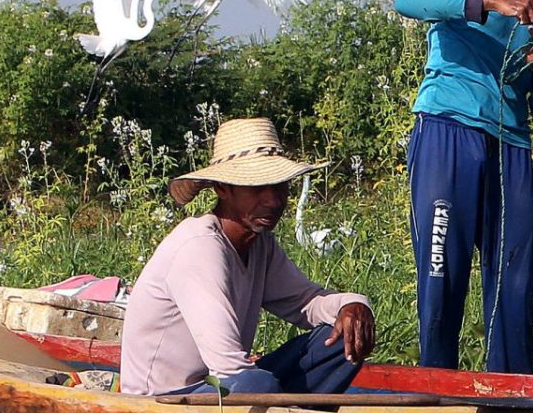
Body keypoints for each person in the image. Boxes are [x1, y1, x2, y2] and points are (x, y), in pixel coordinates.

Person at [394, 0, 533, 374]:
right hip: (447, 131)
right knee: (442, 268)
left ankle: (510, 395)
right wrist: (491, 1)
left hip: (510, 145)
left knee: (514, 276)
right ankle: (436, 385)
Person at [119, 118, 375, 396]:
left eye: (279, 187)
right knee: (256, 384)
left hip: (223, 383)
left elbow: (305, 302)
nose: (273, 200)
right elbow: (228, 368)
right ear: (222, 189)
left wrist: (351, 305)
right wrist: (254, 377)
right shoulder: (199, 247)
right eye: (257, 188)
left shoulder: (259, 243)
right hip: (166, 398)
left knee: (343, 339)